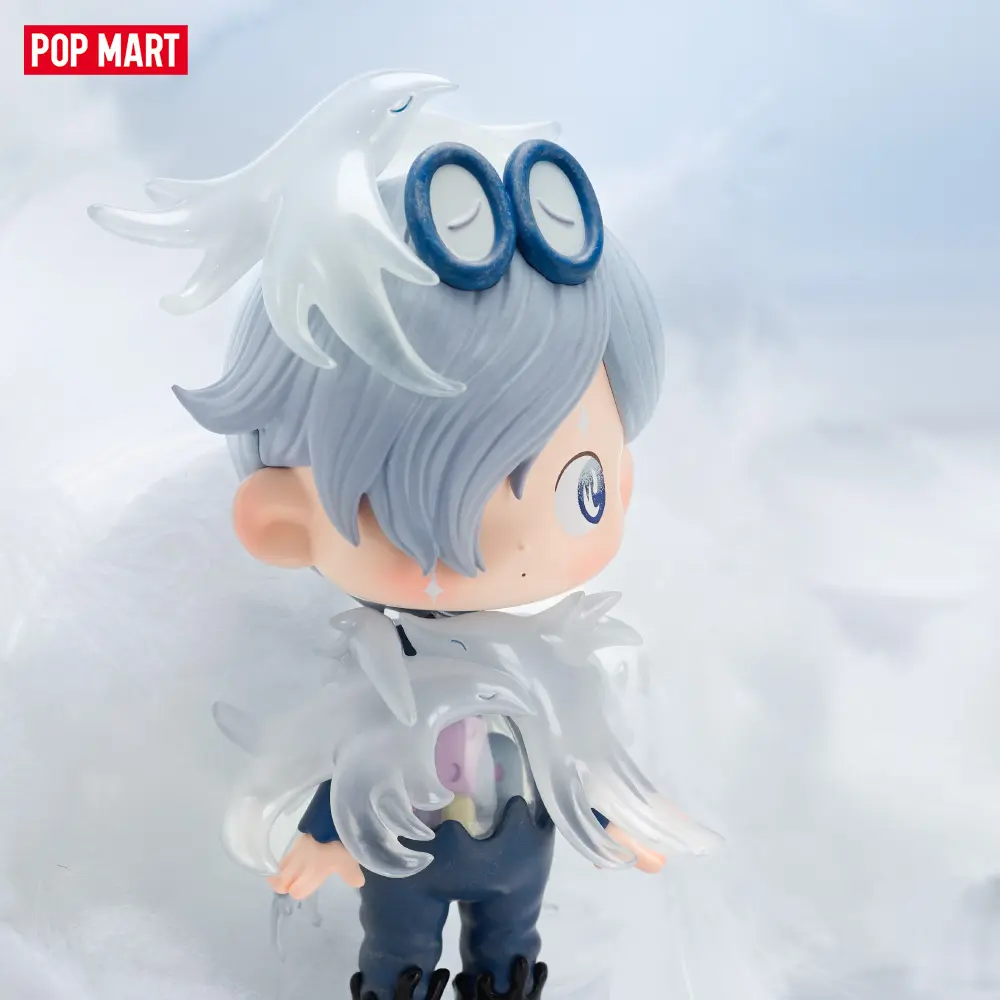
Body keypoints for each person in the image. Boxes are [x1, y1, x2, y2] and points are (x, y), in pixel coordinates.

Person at [89, 68, 718, 1000]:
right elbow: (353, 752)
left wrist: (616, 809)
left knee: (510, 957)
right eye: (428, 506)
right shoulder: (374, 679)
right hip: (405, 856)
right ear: (282, 521)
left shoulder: (553, 675)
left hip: (520, 851)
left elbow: (574, 746)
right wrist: (322, 833)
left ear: (620, 477)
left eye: (581, 486)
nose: (509, 543)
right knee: (399, 962)